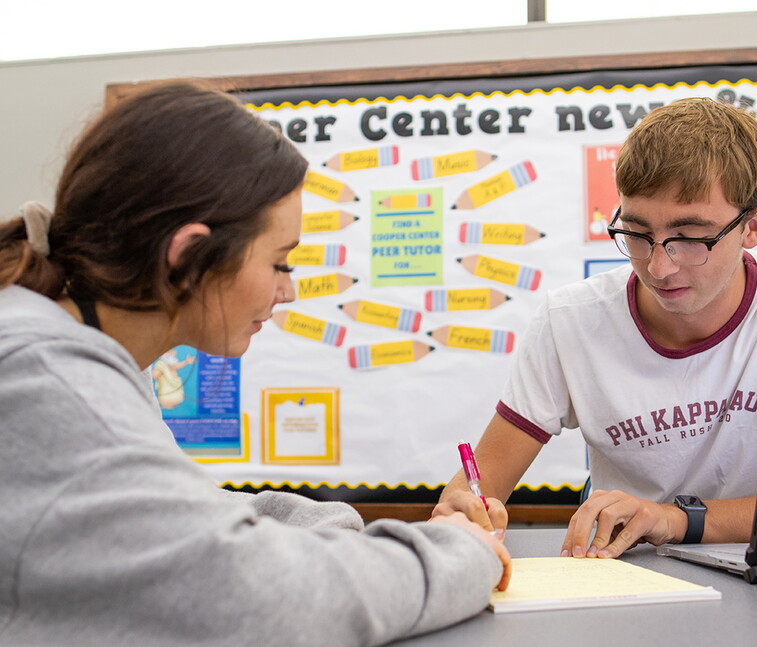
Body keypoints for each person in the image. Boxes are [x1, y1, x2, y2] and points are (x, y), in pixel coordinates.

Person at [0, 81, 509, 647]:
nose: (287, 292)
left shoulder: (69, 350)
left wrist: (338, 531)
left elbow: (177, 511)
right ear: (189, 255)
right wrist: (462, 556)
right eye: (279, 262)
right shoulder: (44, 382)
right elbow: (263, 601)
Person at [434, 97, 757, 560]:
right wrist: (459, 512)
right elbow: (479, 486)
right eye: (637, 234)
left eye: (690, 237)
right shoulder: (570, 319)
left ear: (753, 227)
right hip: (629, 577)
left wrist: (674, 519)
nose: (660, 266)